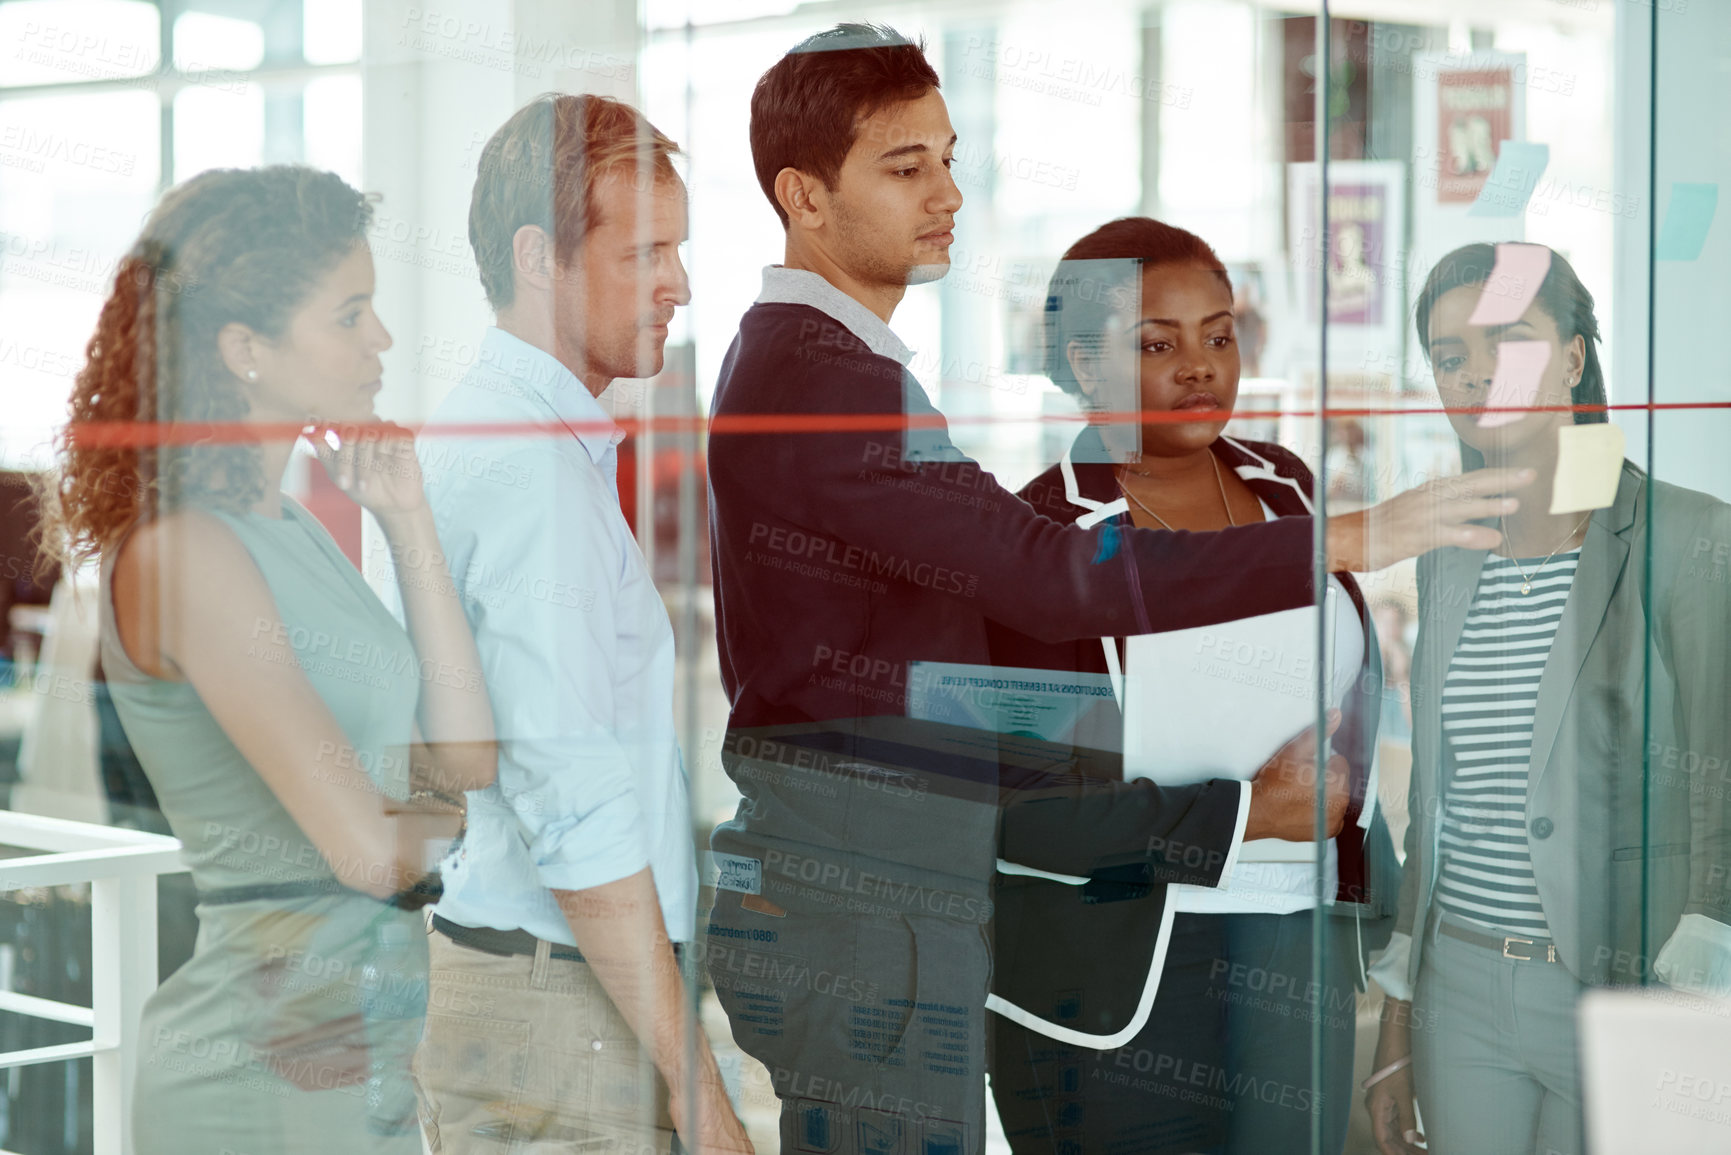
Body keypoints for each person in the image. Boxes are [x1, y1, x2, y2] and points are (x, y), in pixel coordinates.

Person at [702, 23, 1531, 1154]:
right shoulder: (820, 379)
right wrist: (1354, 537)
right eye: (907, 169)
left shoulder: (848, 368)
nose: (947, 193)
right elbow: (1043, 585)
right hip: (874, 900)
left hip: (911, 897)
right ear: (802, 195)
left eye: (948, 158)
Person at [38, 166, 497, 1154]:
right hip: (259, 1078)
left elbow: (466, 758)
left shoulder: (288, 526)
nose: (381, 341)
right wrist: (443, 808)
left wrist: (408, 523)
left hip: (358, 1057)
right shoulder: (189, 553)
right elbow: (375, 853)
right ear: (244, 348)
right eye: (350, 314)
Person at [984, 217, 1400, 1155]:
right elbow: (1024, 810)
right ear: (1083, 363)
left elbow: (1347, 697)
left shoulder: (1285, 488)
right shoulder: (1037, 536)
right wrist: (1251, 809)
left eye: (1218, 335)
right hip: (1117, 985)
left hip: (1298, 951)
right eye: (1155, 344)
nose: (1201, 365)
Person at [409, 94, 752, 1155]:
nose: (680, 285)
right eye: (647, 251)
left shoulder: (508, 437)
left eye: (680, 250)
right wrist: (705, 1101)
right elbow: (573, 809)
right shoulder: (528, 470)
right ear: (539, 258)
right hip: (559, 1013)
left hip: (547, 994)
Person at [1363, 243, 1731, 1155]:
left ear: (1572, 355)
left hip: (1620, 987)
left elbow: (1718, 785)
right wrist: (1399, 1021)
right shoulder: (1447, 557)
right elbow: (1434, 809)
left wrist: (1691, 1008)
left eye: (1508, 340)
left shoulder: (1685, 535)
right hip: (1460, 990)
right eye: (1449, 356)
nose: (1478, 372)